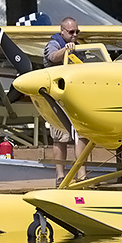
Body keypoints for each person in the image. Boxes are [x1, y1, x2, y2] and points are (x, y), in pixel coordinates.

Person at [44, 17, 88, 186]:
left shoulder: (80, 46)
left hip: (77, 98)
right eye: (71, 32)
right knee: (60, 137)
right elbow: (53, 57)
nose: (74, 35)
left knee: (82, 135)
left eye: (77, 32)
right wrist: (66, 51)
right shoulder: (54, 43)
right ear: (62, 31)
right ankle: (60, 176)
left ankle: (81, 175)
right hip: (57, 99)